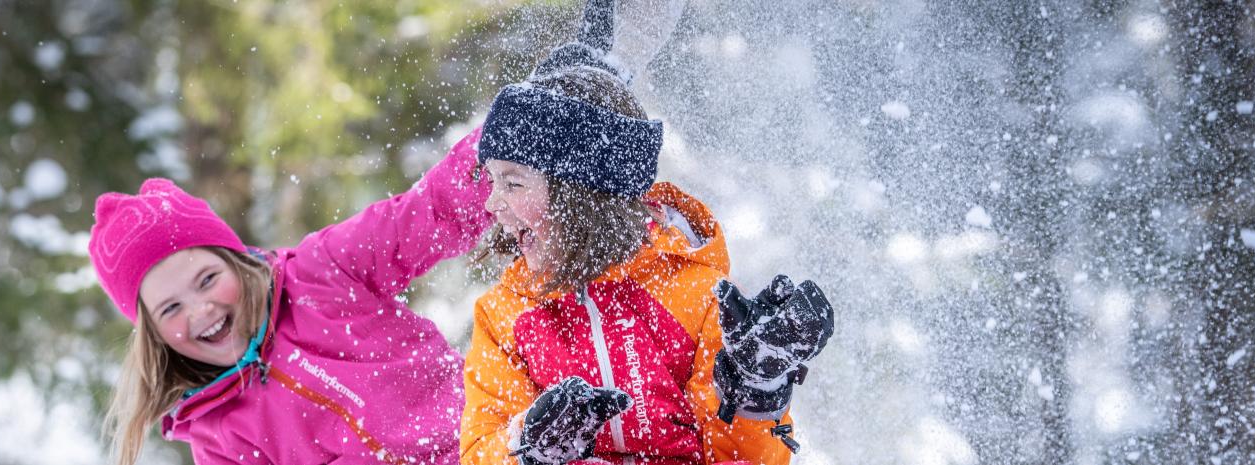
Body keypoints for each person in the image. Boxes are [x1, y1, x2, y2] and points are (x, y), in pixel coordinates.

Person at [458, 2, 834, 464]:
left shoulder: (695, 298)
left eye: (513, 182)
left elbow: (741, 459)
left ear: (582, 195)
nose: (493, 203)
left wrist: (755, 396)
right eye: (491, 180)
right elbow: (480, 450)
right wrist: (524, 450)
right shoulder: (505, 318)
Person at [90, 127, 491, 465]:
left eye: (207, 279)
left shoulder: (322, 271)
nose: (201, 309)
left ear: (236, 261)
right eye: (171, 308)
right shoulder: (219, 439)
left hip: (495, 442)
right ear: (155, 334)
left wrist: (503, 146)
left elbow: (429, 212)